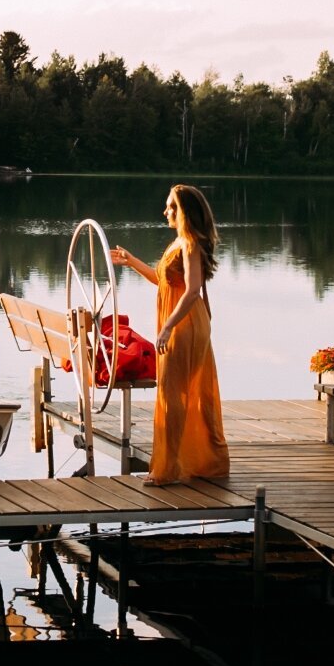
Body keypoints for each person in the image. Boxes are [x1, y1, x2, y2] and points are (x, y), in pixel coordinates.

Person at [109, 183, 231, 484]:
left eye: (172, 207)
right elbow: (163, 282)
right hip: (179, 322)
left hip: (185, 324)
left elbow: (191, 291)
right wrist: (131, 261)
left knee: (173, 393)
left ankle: (169, 469)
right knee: (174, 392)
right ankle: (189, 462)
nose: (166, 211)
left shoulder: (190, 244)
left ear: (185, 212)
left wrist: (167, 327)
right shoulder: (177, 243)